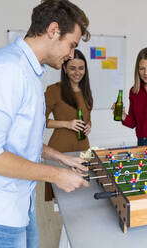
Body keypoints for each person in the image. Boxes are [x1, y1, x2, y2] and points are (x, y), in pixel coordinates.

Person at [0, 1, 91, 247]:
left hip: (17, 201)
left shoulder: (29, 71)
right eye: (72, 45)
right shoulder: (5, 70)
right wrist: (57, 175)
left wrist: (61, 158)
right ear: (53, 30)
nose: (71, 55)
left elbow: (21, 139)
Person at [44, 49, 93, 201]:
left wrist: (89, 125)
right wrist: (67, 124)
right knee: (62, 197)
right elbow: (40, 121)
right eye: (72, 68)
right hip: (61, 151)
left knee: (82, 192)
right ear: (64, 69)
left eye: (81, 68)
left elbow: (87, 117)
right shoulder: (54, 90)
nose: (77, 72)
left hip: (82, 149)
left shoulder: (86, 91)